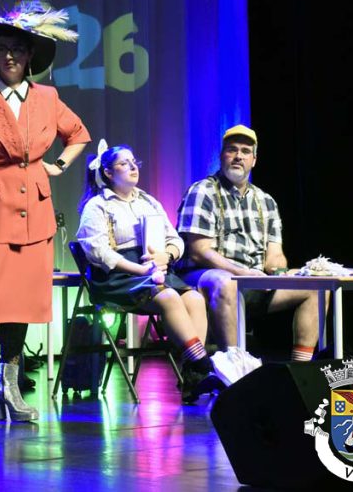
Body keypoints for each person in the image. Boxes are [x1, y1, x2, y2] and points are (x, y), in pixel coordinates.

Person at [0, 0, 90, 426]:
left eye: (18, 50)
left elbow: (78, 134)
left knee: (23, 305)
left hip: (35, 213)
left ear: (29, 57)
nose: (10, 56)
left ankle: (7, 388)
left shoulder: (48, 98)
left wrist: (58, 165)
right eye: (4, 49)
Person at [76, 140, 222, 403]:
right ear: (108, 172)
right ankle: (202, 365)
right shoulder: (97, 206)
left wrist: (167, 255)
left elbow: (174, 239)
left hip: (153, 270)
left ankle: (193, 376)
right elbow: (98, 252)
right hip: (117, 276)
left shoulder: (149, 202)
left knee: (194, 298)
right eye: (125, 163)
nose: (133, 167)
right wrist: (140, 268)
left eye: (135, 162)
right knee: (169, 297)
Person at [176, 125, 322, 373]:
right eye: (232, 150)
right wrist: (241, 273)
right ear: (222, 155)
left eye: (245, 151)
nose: (238, 156)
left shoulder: (266, 201)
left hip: (253, 279)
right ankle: (235, 371)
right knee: (226, 282)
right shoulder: (203, 191)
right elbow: (200, 251)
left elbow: (274, 254)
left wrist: (279, 272)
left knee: (316, 286)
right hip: (203, 277)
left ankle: (301, 372)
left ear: (254, 160)